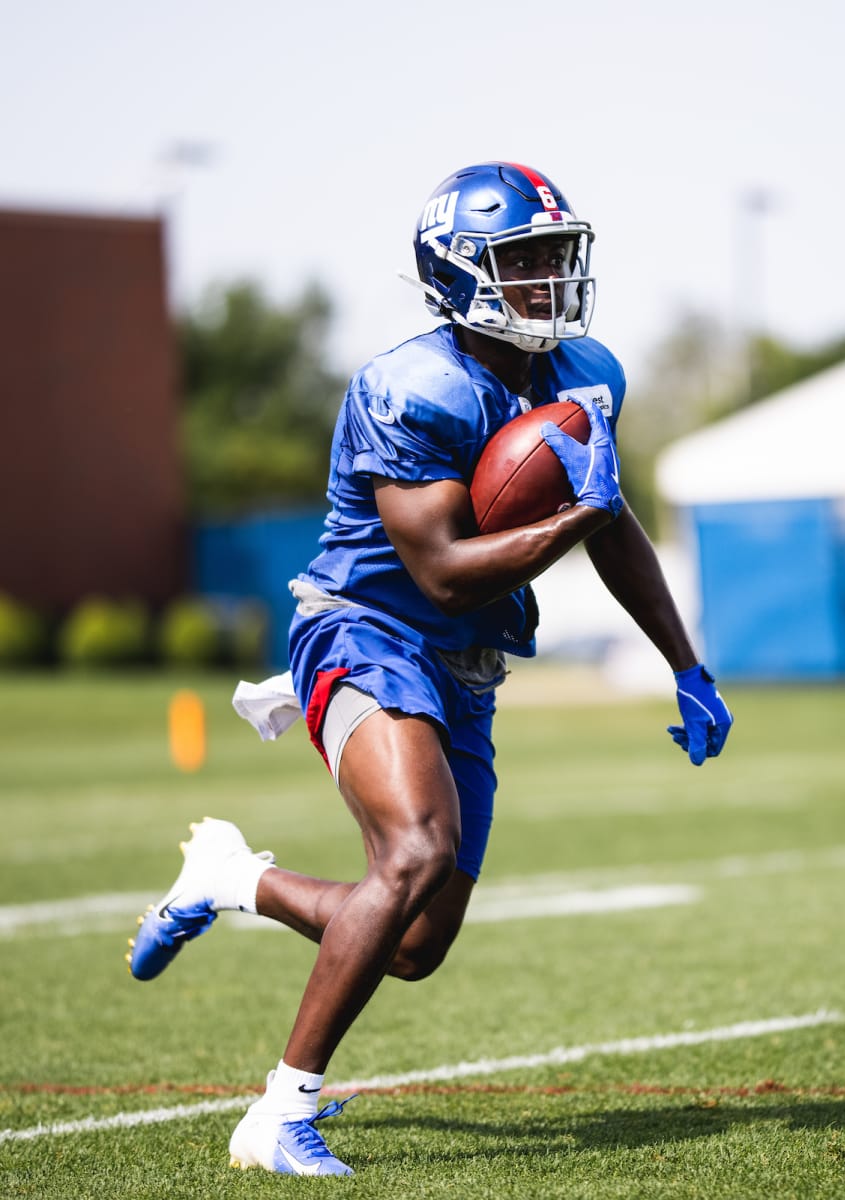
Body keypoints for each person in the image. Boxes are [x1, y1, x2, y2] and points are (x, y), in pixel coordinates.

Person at [126, 161, 733, 1177]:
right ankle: (279, 1114)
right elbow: (446, 572)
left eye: (554, 257)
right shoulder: (413, 387)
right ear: (458, 274)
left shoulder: (587, 372)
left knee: (412, 942)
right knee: (413, 853)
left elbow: (613, 527)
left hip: (466, 664)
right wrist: (581, 511)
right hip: (365, 629)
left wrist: (686, 662)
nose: (547, 279)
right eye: (522, 259)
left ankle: (233, 877)